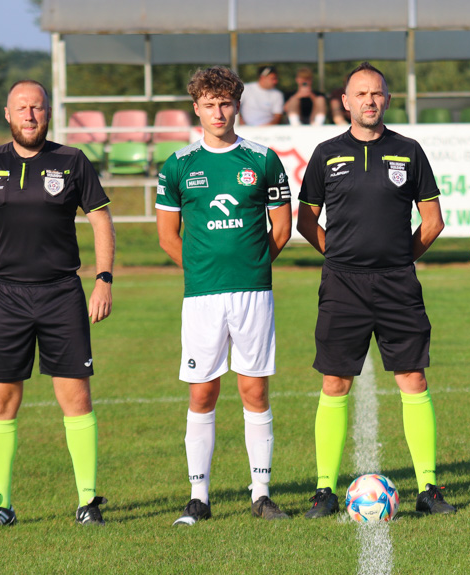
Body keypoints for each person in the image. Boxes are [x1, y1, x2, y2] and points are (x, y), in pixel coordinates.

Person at [0, 80, 115, 529]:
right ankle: (1, 504)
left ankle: (87, 502)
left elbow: (100, 219)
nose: (30, 115)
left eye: (37, 108)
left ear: (48, 113)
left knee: (75, 395)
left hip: (61, 293)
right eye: (22, 108)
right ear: (8, 114)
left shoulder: (72, 161)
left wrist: (103, 279)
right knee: (1, 400)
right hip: (5, 296)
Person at [297, 61, 455, 517]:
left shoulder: (409, 150)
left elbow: (433, 221)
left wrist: (399, 260)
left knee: (413, 378)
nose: (370, 100)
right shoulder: (327, 153)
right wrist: (337, 255)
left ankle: (429, 488)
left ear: (387, 100)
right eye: (360, 94)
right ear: (345, 102)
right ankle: (324, 490)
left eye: (377, 93)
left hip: (397, 284)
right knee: (335, 381)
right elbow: (306, 219)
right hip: (342, 283)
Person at [156, 66, 293, 524]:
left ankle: (261, 493)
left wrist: (251, 266)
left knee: (254, 389)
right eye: (209, 104)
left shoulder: (263, 160)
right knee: (202, 393)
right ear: (196, 108)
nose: (219, 112)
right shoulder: (178, 165)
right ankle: (199, 496)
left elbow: (282, 228)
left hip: (253, 293)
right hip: (202, 297)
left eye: (226, 103)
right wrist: (202, 272)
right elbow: (167, 237)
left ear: (238, 106)